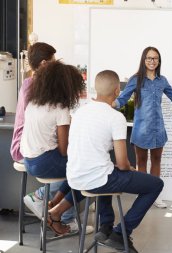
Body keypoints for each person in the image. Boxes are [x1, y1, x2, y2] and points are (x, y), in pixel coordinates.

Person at [67, 70, 164, 253]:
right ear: (118, 90)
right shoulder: (115, 117)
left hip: (74, 177)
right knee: (155, 184)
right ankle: (121, 233)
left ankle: (105, 227)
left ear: (96, 88)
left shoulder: (79, 112)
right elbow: (122, 162)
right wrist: (131, 169)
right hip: (96, 180)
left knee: (108, 169)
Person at [114, 46, 172, 208]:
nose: (152, 61)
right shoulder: (135, 79)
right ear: (144, 60)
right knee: (141, 162)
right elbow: (122, 100)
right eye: (149, 58)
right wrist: (106, 104)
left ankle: (155, 195)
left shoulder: (162, 81)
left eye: (155, 58)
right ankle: (143, 195)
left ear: (159, 61)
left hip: (158, 130)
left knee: (157, 161)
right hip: (141, 131)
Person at [9, 42, 88, 233]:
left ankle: (53, 205)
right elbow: (63, 149)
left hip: (30, 154)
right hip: (35, 156)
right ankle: (55, 209)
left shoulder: (35, 101)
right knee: (86, 171)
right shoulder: (59, 106)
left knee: (78, 168)